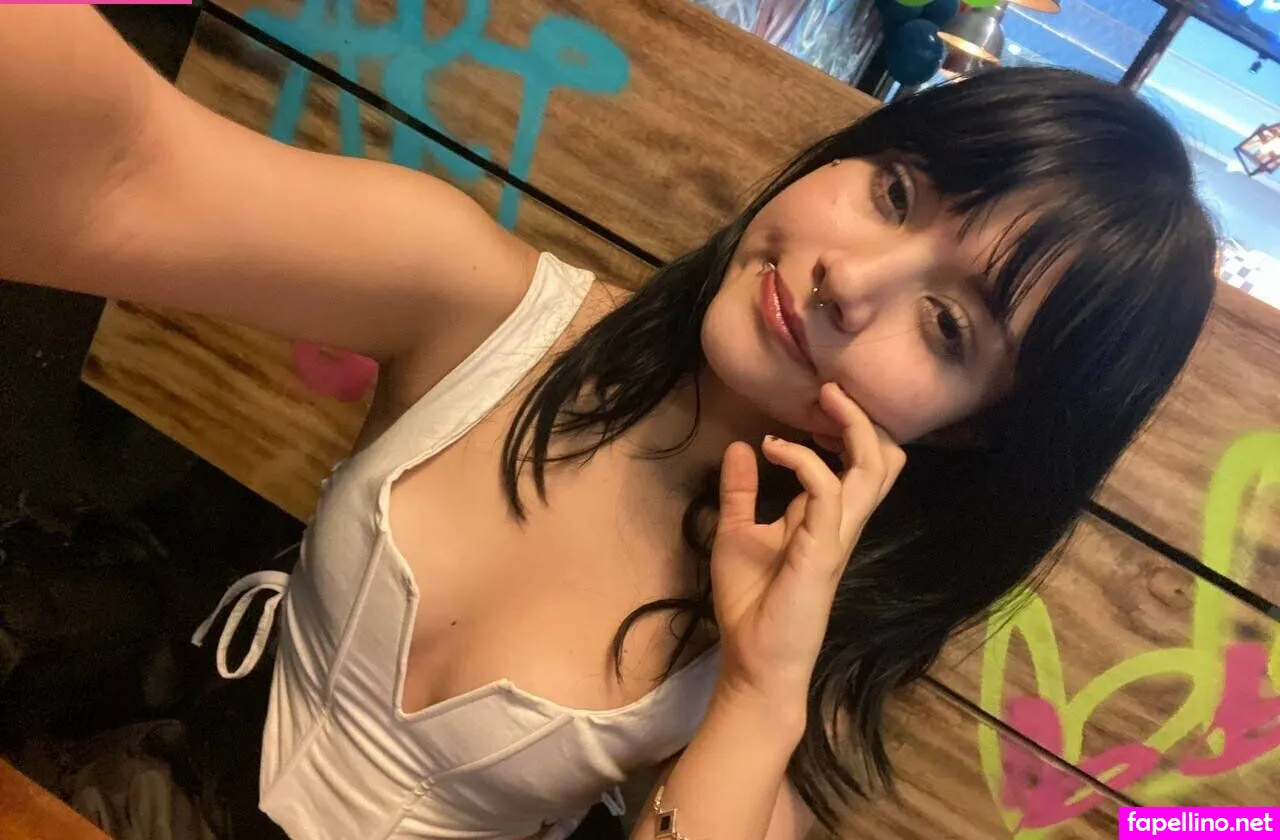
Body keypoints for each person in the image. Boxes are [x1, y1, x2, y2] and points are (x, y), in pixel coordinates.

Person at [0, 7, 1217, 840]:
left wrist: (757, 690)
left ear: (966, 432)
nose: (850, 278)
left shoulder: (791, 645)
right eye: (893, 191)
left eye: (947, 326)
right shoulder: (479, 304)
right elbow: (122, 174)